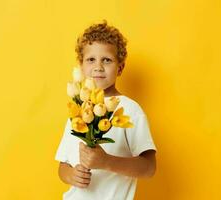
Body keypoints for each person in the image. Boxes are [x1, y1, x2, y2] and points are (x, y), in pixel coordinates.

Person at [55, 20, 157, 200]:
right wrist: (72, 175)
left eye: (107, 60)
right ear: (81, 66)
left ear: (120, 67)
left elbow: (149, 168)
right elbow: (63, 166)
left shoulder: (130, 109)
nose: (98, 67)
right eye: (91, 59)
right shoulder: (78, 110)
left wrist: (106, 162)